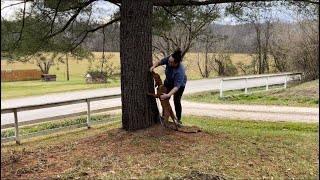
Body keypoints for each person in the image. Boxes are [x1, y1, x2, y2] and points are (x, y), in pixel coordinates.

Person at [149, 48, 187, 126]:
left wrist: (168, 94)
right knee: (164, 99)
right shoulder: (170, 59)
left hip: (179, 86)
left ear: (176, 63)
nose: (168, 62)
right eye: (168, 61)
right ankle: (164, 117)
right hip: (168, 82)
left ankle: (178, 120)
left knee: (176, 101)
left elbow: (176, 87)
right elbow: (159, 62)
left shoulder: (180, 71)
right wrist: (153, 66)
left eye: (170, 62)